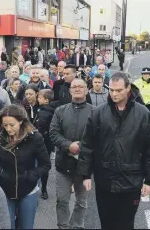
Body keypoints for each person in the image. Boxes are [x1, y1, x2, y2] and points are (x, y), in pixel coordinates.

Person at [76, 72, 150, 229]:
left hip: (131, 181)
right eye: (111, 90)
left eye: (119, 90)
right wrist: (86, 174)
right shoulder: (99, 113)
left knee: (126, 223)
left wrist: (149, 180)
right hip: (104, 179)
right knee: (107, 223)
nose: (114, 94)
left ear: (128, 88)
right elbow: (88, 144)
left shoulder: (143, 114)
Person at [0, 104, 51, 229]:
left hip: (28, 189)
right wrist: (0, 173)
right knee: (7, 225)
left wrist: (31, 176)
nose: (8, 129)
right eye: (5, 125)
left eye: (12, 125)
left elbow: (45, 164)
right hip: (6, 189)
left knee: (26, 226)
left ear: (21, 121)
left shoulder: (34, 138)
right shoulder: (0, 137)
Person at [50, 78, 93, 229]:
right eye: (74, 87)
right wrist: (68, 145)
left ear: (87, 90)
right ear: (70, 91)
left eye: (80, 86)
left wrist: (81, 146)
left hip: (84, 166)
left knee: (81, 201)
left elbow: (99, 137)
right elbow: (53, 134)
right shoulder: (60, 111)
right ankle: (63, 226)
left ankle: (77, 226)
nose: (77, 89)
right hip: (63, 163)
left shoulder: (94, 112)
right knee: (62, 199)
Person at [34, 89, 56, 200]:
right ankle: (43, 189)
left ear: (46, 100)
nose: (38, 99)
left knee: (41, 165)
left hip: (42, 142)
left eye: (40, 98)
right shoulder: (44, 110)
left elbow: (41, 126)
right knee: (44, 165)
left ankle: (41, 188)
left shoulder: (44, 112)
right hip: (47, 143)